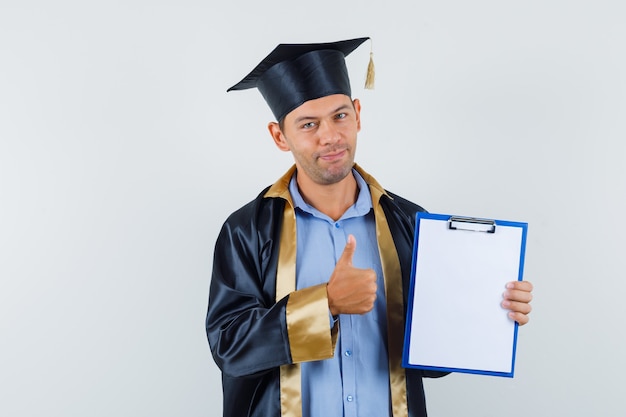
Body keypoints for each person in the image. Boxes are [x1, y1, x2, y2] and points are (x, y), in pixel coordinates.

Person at [206, 37, 533, 417]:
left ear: (358, 114)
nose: (330, 136)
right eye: (308, 124)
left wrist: (491, 309)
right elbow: (229, 347)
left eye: (340, 115)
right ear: (280, 136)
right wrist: (324, 304)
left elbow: (432, 361)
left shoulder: (408, 223)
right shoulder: (248, 230)